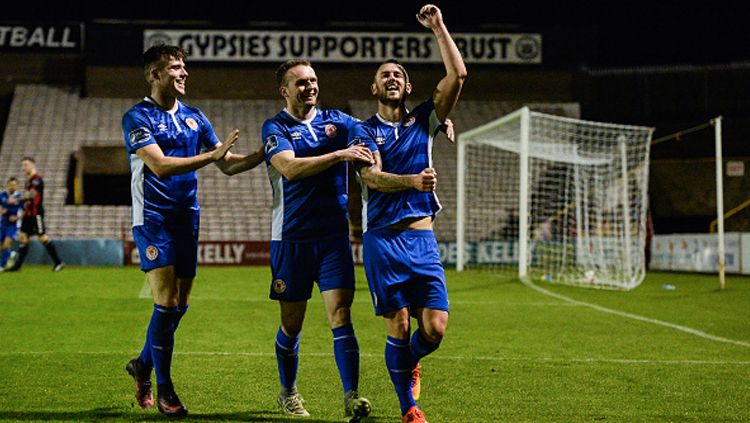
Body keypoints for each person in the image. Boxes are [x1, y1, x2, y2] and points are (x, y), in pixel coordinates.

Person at [122, 44, 263, 418]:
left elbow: (228, 164)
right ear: (154, 74)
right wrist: (211, 157)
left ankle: (142, 363)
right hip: (154, 219)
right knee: (166, 304)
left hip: (187, 219)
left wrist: (268, 151)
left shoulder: (195, 117)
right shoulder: (138, 117)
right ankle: (164, 390)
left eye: (184, 67)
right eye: (174, 68)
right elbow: (161, 166)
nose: (183, 73)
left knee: (179, 306)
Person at [355, 5, 466, 423]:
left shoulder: (424, 119)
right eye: (385, 75)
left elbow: (458, 77)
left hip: (421, 240)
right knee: (398, 324)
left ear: (408, 85)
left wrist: (438, 27)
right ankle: (409, 407)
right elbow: (372, 178)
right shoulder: (364, 131)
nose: (392, 78)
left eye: (398, 74)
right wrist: (412, 181)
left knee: (434, 329)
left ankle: (412, 361)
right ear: (374, 87)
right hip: (383, 239)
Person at [261, 58, 374, 421]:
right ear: (285, 91)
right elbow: (289, 169)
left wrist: (424, 124)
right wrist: (340, 154)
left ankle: (351, 396)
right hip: (290, 240)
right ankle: (288, 391)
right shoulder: (275, 127)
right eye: (301, 83)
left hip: (333, 240)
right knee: (292, 325)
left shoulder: (337, 122)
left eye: (313, 80)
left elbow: (375, 130)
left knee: (341, 315)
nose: (310, 87)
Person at [4, 157, 65, 272]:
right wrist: (21, 213)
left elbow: (31, 196)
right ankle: (17, 266)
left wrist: (16, 200)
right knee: (23, 237)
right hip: (28, 214)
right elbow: (28, 200)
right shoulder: (28, 181)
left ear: (33, 165)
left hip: (36, 214)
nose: (23, 168)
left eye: (26, 165)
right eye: (22, 165)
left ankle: (59, 262)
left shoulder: (37, 180)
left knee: (42, 237)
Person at [0, 177, 22, 270]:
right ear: (8, 185)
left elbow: (25, 211)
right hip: (2, 223)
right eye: (11, 185)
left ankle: (2, 265)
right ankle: (11, 253)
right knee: (3, 246)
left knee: (6, 244)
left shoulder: (19, 197)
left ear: (17, 186)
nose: (12, 187)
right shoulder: (2, 195)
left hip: (13, 225)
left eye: (14, 185)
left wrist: (17, 217)